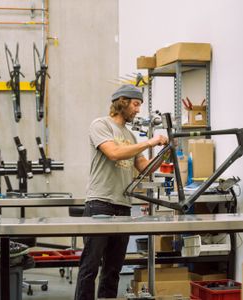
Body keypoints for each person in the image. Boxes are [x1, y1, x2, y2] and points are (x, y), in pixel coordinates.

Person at [74, 84, 168, 300]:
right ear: (122, 102)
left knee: (113, 270)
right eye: (135, 104)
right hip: (100, 203)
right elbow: (114, 153)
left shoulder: (131, 136)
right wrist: (150, 142)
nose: (137, 110)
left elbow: (145, 168)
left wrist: (164, 153)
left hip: (123, 206)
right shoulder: (100, 125)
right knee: (90, 268)